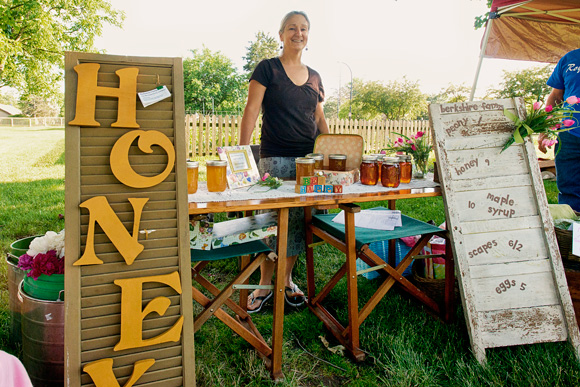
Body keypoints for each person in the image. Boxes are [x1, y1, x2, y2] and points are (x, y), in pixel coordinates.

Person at [239, 10, 329, 312]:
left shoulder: (315, 77)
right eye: (292, 28)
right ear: (281, 34)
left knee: (297, 225)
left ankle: (287, 279)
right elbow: (252, 110)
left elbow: (318, 117)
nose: (298, 34)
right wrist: (242, 151)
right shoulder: (267, 69)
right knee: (272, 223)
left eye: (304, 29)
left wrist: (328, 152)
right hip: (274, 159)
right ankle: (266, 285)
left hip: (308, 163)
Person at [540, 48, 580, 212]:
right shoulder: (570, 58)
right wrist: (545, 126)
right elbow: (556, 96)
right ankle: (571, 231)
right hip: (569, 136)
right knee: (568, 189)